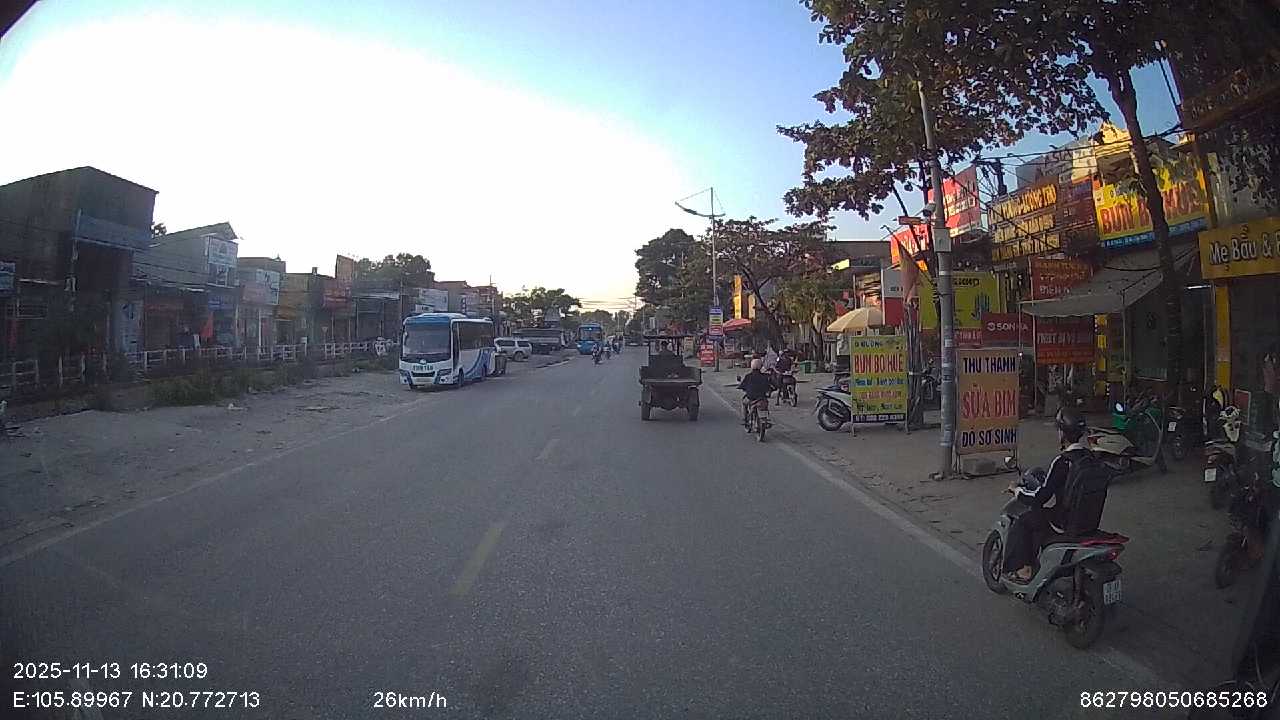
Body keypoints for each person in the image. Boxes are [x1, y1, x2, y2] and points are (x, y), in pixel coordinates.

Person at [1005, 406, 1096, 582]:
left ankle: (1024, 571)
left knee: (1023, 521)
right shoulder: (1091, 459)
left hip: (1064, 521)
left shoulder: (1062, 461)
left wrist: (1017, 490)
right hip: (1089, 521)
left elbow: (1040, 497)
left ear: (1062, 434)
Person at [738, 358, 773, 426]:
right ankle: (765, 419)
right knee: (765, 405)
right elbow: (769, 386)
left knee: (744, 402)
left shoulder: (748, 376)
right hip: (761, 397)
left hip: (750, 397)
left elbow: (743, 385)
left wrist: (742, 387)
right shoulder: (765, 377)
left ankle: (745, 419)